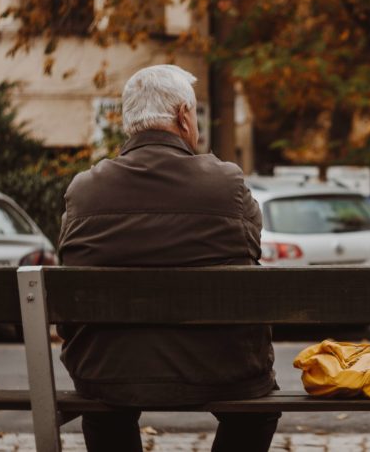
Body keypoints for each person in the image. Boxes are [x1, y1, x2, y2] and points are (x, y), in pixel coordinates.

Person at [57, 65, 278, 452]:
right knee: (257, 407)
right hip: (222, 369)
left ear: (129, 123)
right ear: (182, 116)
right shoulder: (226, 184)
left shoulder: (84, 190)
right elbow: (250, 251)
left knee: (103, 405)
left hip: (108, 372)